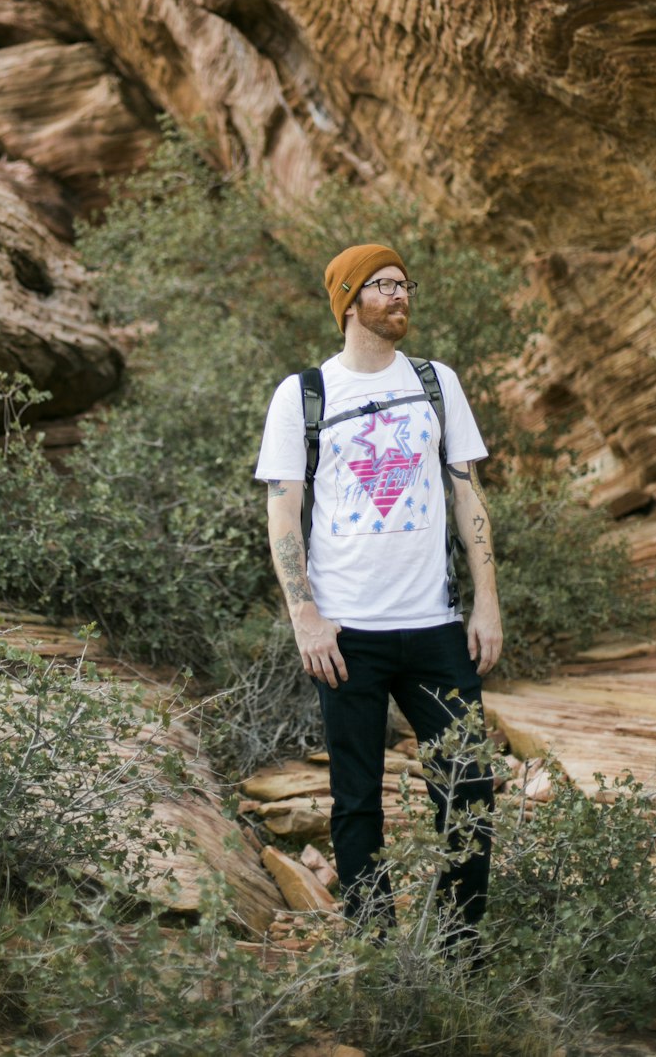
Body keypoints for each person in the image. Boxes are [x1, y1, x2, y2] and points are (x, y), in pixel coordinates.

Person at [255, 242, 502, 937]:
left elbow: (467, 497)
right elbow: (282, 511)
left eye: (404, 284)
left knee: (469, 789)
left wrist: (487, 601)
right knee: (356, 801)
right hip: (346, 637)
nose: (401, 295)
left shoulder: (434, 381)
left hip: (434, 628)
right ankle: (375, 951)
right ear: (349, 302)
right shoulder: (305, 394)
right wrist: (305, 615)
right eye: (384, 285)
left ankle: (461, 949)